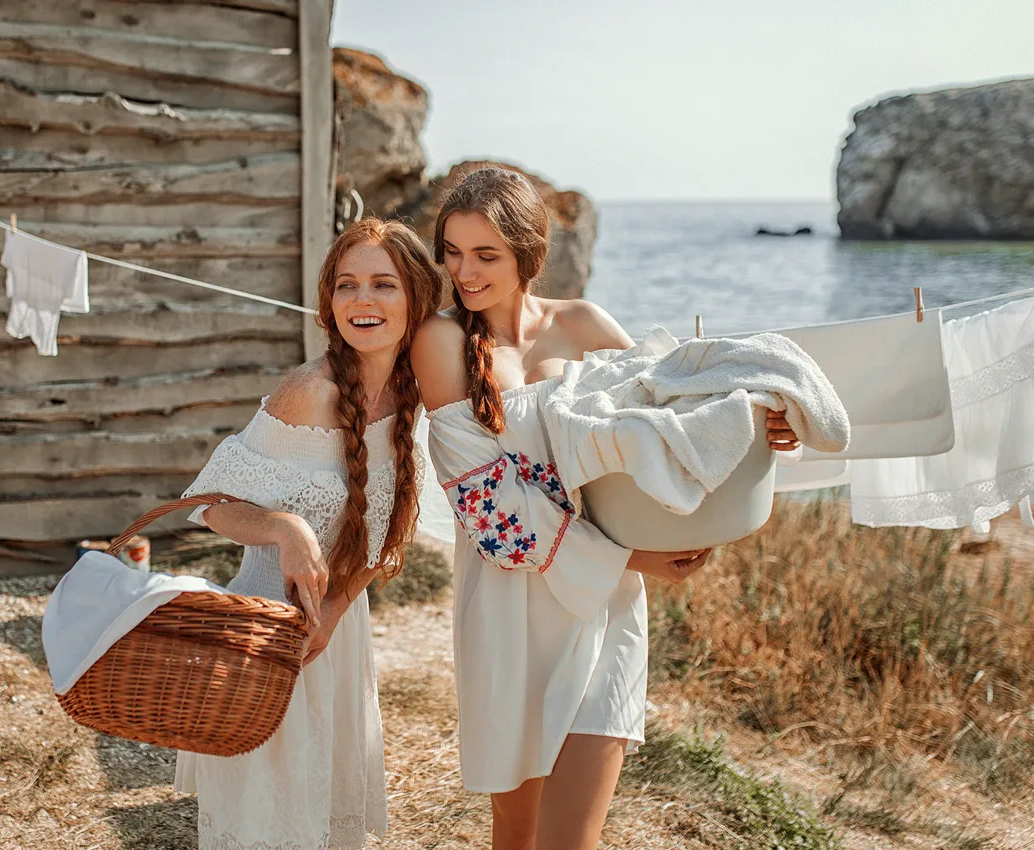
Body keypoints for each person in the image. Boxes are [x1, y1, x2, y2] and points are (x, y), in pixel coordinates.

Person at [410, 167, 801, 850]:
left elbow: (675, 420)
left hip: (606, 606)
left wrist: (762, 427)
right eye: (452, 251)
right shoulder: (440, 341)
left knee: (573, 838)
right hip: (510, 609)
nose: (463, 272)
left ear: (528, 253)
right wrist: (633, 556)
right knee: (518, 832)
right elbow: (483, 505)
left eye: (484, 254)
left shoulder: (585, 324)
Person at [173, 218, 445, 850]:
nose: (362, 302)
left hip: (335, 630)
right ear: (329, 300)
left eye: (383, 284)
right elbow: (207, 502)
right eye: (346, 285)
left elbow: (390, 530)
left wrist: (334, 607)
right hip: (266, 632)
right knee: (269, 818)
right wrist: (283, 526)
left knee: (323, 813)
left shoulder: (414, 397)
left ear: (416, 299)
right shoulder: (306, 394)